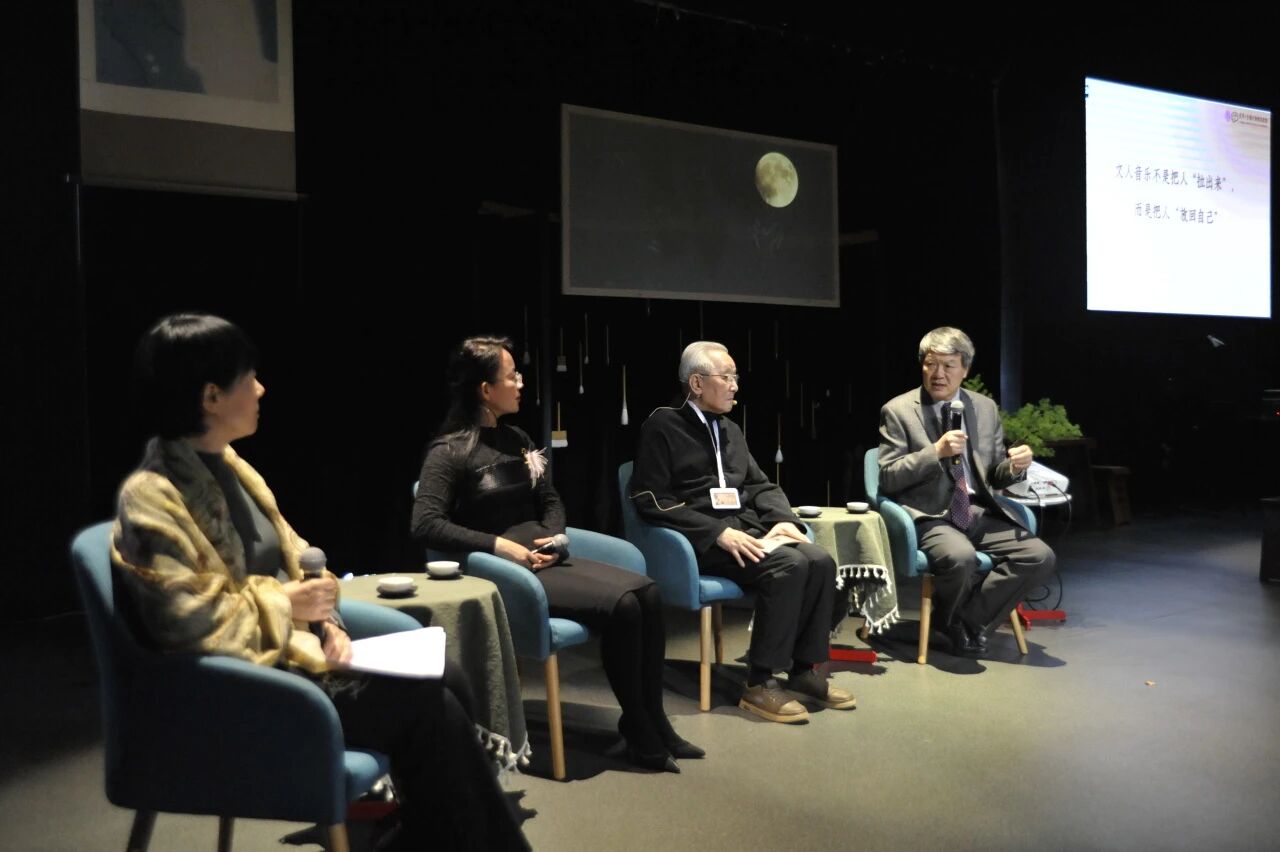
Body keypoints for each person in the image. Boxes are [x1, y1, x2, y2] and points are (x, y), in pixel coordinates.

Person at [110, 313, 528, 852]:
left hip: (294, 656)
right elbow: (183, 618)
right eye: (249, 379)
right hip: (238, 691)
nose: (261, 389)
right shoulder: (152, 496)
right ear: (211, 396)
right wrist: (287, 604)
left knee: (448, 675)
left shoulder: (230, 465)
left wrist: (329, 621)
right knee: (431, 708)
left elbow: (299, 557)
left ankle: (431, 833)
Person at [412, 336, 702, 773]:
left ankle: (653, 719)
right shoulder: (449, 451)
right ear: (485, 389)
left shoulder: (517, 438)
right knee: (625, 606)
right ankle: (639, 727)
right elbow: (425, 523)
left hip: (543, 555)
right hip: (505, 568)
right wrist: (499, 546)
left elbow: (549, 499)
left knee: (649, 593)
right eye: (512, 376)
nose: (520, 382)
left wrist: (556, 537)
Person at [629, 341, 857, 724]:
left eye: (736, 377)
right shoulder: (662, 425)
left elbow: (759, 485)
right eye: (727, 377)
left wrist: (783, 520)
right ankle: (759, 682)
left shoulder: (730, 429)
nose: (735, 386)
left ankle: (803, 670)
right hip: (698, 540)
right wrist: (716, 532)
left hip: (743, 530)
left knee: (819, 560)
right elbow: (650, 498)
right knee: (788, 565)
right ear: (697, 383)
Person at [877, 326, 1057, 657]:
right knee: (960, 558)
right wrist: (935, 452)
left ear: (965, 369)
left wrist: (1016, 467)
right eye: (931, 364)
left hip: (977, 510)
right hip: (930, 514)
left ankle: (960, 623)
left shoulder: (984, 408)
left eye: (948, 366)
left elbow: (995, 475)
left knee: (1039, 556)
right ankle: (956, 627)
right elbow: (888, 477)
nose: (938, 374)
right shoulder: (899, 410)